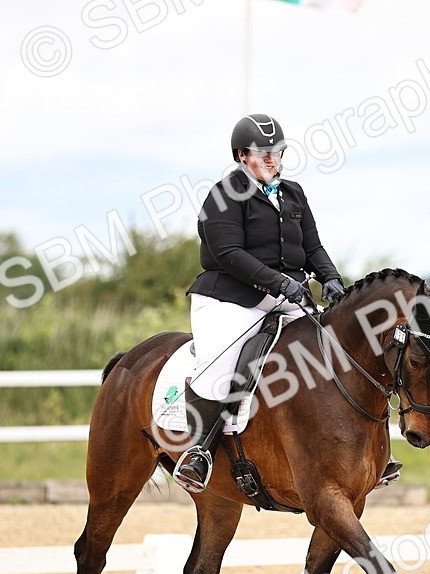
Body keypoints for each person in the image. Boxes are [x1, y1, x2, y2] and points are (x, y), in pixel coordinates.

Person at [172, 113, 401, 493]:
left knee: (343, 351)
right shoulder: (224, 195)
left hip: (286, 296)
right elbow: (228, 252)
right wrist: (279, 282)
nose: (271, 159)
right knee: (220, 366)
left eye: (277, 152)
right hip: (230, 298)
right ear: (242, 155)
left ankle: (374, 453)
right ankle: (199, 453)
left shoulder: (292, 193)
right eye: (262, 153)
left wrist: (330, 277)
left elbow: (312, 247)